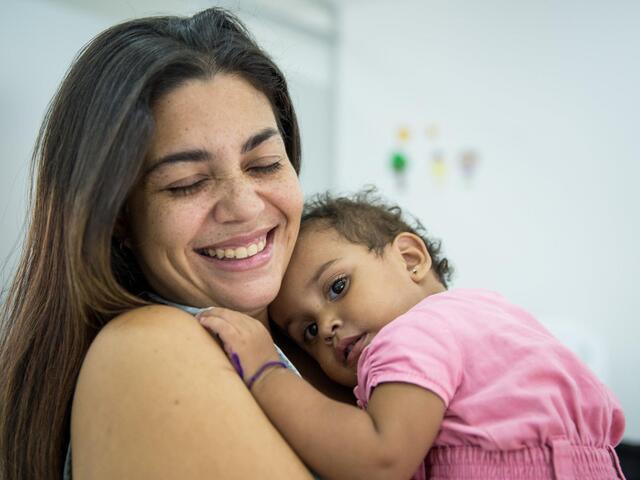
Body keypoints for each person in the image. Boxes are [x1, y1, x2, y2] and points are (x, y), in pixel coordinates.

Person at [0, 8, 349, 480]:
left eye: (265, 164)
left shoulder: (325, 339)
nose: (244, 207)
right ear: (119, 216)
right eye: (187, 183)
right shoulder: (148, 352)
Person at [199, 189, 627, 480]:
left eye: (337, 286)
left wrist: (265, 369)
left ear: (409, 258)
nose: (326, 327)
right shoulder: (486, 312)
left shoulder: (411, 334)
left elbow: (381, 458)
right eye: (307, 330)